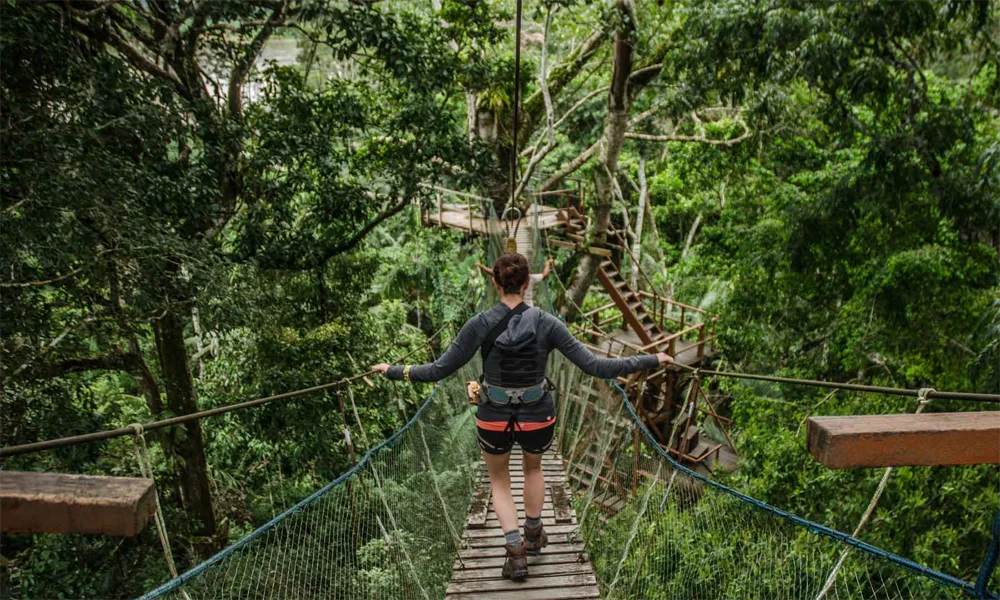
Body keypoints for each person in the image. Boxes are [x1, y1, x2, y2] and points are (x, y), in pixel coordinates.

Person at [372, 253, 671, 582]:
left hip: (493, 417)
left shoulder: (480, 323)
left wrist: (394, 371)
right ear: (528, 282)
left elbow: (438, 369)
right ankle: (533, 534)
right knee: (534, 467)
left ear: (494, 282)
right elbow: (597, 367)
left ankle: (515, 556)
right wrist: (652, 359)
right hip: (537, 415)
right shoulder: (548, 323)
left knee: (499, 481)